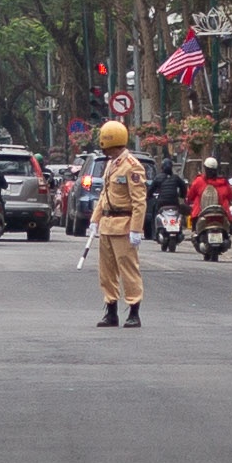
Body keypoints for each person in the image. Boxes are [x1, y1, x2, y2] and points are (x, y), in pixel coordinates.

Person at [92, 121, 148, 327]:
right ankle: (111, 311)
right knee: (106, 272)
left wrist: (136, 229)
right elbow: (103, 195)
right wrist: (95, 220)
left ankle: (134, 311)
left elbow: (139, 202)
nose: (105, 151)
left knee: (128, 270)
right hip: (107, 224)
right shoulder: (111, 164)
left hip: (124, 225)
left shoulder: (132, 167)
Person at [146, 160, 189, 240]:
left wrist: (148, 196)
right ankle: (179, 230)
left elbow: (151, 189)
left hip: (162, 203)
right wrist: (182, 195)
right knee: (179, 213)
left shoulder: (158, 178)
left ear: (162, 168)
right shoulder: (176, 178)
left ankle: (155, 233)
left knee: (155, 212)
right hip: (174, 202)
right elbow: (183, 187)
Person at [187, 156, 232, 222]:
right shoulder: (224, 183)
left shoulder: (199, 181)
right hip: (222, 216)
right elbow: (231, 197)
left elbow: (190, 196)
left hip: (200, 216)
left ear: (205, 169)